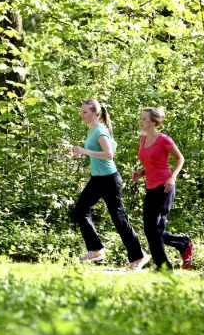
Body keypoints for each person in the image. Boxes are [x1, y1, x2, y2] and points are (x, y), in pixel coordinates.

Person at [69, 99, 150, 271]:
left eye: (85, 112)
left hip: (109, 179)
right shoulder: (92, 129)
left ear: (95, 113)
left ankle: (139, 256)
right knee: (80, 210)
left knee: (119, 218)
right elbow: (111, 148)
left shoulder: (100, 130)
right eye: (82, 111)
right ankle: (96, 250)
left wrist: (85, 151)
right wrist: (83, 153)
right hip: (98, 178)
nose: (81, 115)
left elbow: (109, 155)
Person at [132, 107, 194, 270]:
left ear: (153, 122)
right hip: (151, 187)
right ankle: (183, 243)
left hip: (165, 187)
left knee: (155, 228)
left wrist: (172, 178)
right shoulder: (143, 140)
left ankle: (164, 267)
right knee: (150, 229)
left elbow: (180, 159)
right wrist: (142, 173)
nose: (141, 121)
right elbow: (153, 162)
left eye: (144, 119)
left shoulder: (164, 139)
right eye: (141, 118)